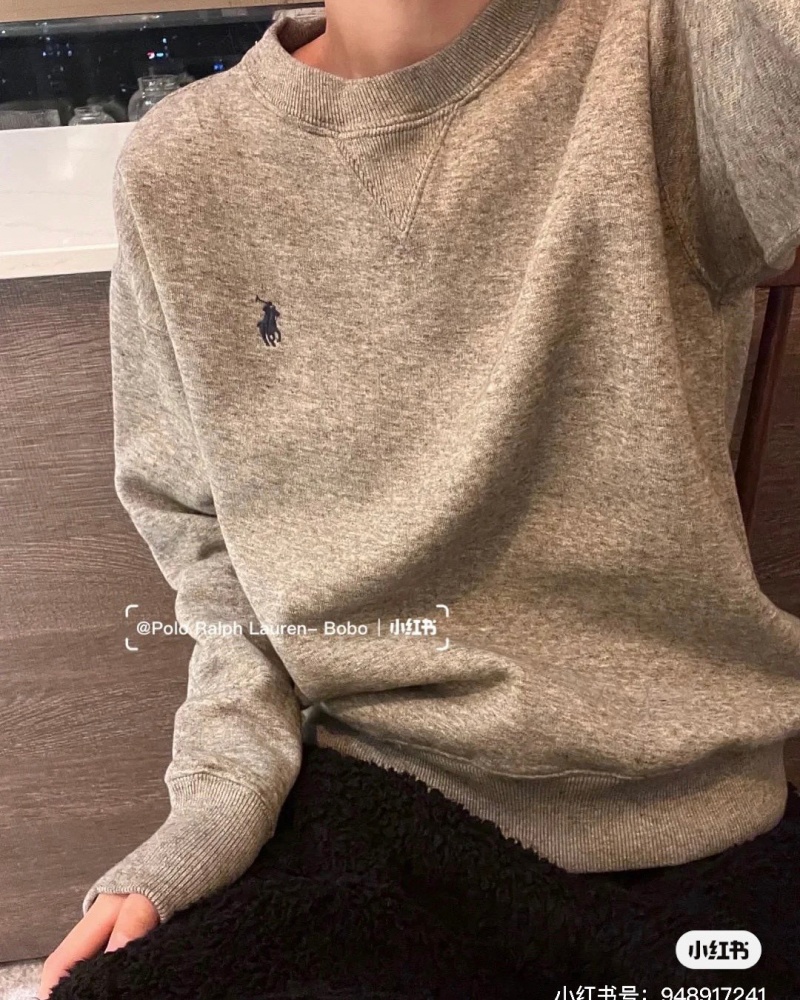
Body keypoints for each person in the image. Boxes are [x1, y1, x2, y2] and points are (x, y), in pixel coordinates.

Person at [40, 0, 800, 997]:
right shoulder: (180, 167)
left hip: (696, 832)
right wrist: (216, 804)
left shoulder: (673, 48)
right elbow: (209, 556)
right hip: (376, 804)